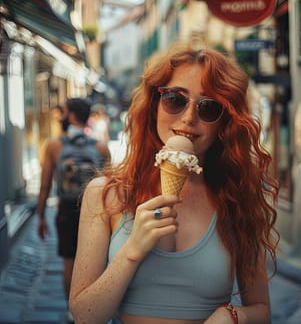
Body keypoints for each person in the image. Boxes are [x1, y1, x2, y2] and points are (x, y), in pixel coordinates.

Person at [69, 43, 279, 324]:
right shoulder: (106, 194)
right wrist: (132, 250)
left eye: (209, 107)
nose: (189, 118)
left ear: (224, 122)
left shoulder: (238, 199)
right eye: (175, 99)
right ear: (154, 105)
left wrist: (232, 316)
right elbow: (84, 316)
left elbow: (262, 310)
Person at [36, 98, 111, 322]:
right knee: (96, 261)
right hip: (96, 212)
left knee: (69, 261)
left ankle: (73, 312)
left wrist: (40, 216)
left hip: (66, 210)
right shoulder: (100, 147)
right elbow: (111, 186)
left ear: (69, 116)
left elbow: (45, 184)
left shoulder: (53, 145)